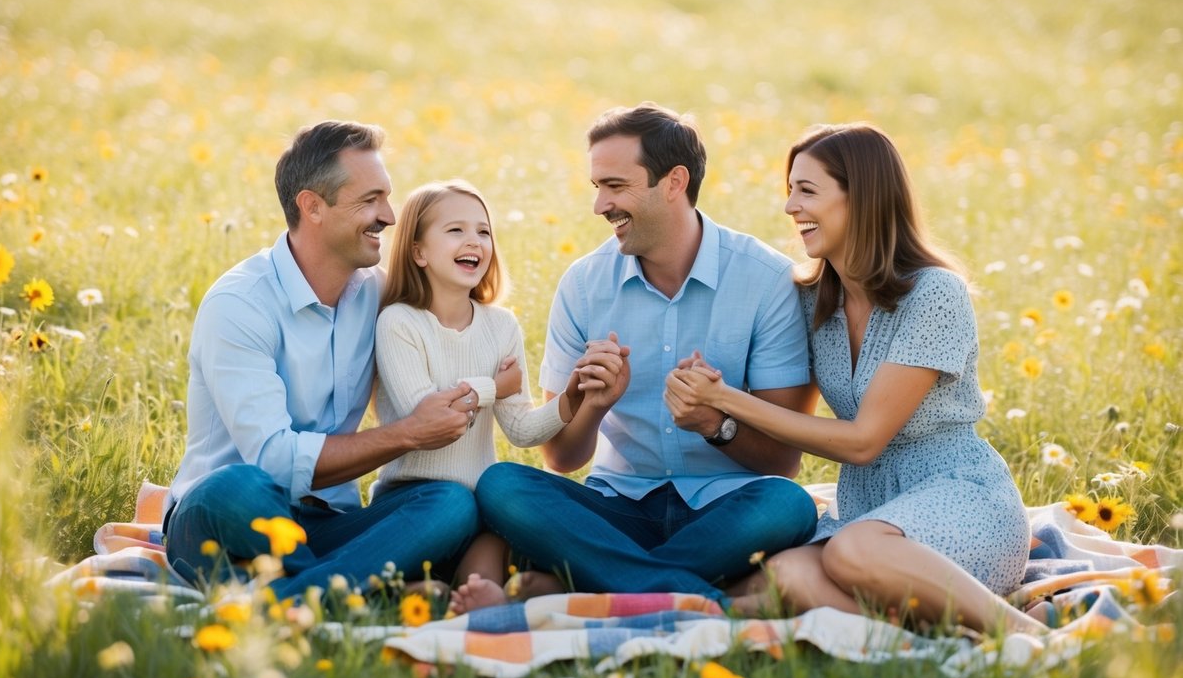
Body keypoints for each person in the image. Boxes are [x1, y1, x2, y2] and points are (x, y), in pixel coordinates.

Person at [665, 123, 1046, 634]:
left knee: (851, 551)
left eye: (807, 191)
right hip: (869, 507)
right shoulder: (810, 299)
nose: (790, 207)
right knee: (784, 573)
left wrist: (728, 400)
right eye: (790, 190)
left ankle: (1020, 633)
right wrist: (707, 399)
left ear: (860, 198)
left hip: (960, 499)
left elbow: (864, 440)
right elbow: (783, 415)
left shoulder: (934, 294)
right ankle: (949, 632)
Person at [472, 102, 819, 611]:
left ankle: (602, 582)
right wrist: (590, 403)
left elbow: (785, 461)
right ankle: (696, 597)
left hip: (725, 512)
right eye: (598, 188)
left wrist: (713, 424)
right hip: (617, 508)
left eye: (616, 186)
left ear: (674, 182)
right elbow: (561, 459)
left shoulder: (767, 281)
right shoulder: (584, 285)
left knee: (787, 505)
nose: (600, 206)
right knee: (503, 484)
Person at [162, 120, 482, 599]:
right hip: (225, 521)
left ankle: (291, 597)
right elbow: (273, 462)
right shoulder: (240, 304)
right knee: (239, 485)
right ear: (311, 206)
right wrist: (410, 431)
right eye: (370, 200)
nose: (390, 217)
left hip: (326, 523)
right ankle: (351, 586)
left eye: (387, 198)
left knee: (451, 503)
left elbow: (448, 334)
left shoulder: (377, 296)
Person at [373, 179, 592, 609]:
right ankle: (412, 586)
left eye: (484, 231)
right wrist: (495, 387)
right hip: (415, 501)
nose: (474, 241)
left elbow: (522, 430)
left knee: (494, 531)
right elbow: (431, 416)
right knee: (452, 510)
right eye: (455, 230)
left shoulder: (501, 327)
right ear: (418, 252)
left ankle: (469, 596)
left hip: (476, 504)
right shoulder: (399, 323)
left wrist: (572, 397)